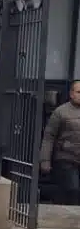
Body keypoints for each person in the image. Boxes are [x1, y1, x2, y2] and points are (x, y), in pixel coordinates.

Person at [40, 78, 80, 206]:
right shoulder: (61, 112)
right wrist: (45, 160)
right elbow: (49, 137)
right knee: (72, 189)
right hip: (66, 158)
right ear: (71, 93)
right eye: (79, 92)